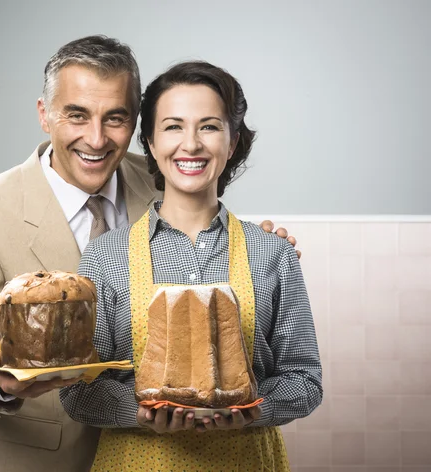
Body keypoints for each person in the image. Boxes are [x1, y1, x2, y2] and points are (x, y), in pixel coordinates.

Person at [0, 36, 300, 472]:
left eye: (115, 118)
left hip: (169, 454)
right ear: (44, 115)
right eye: (76, 115)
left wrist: (259, 249)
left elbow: (210, 252)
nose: (96, 138)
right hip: (47, 453)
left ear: (136, 126)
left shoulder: (162, 178)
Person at [60, 60, 322, 471]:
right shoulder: (104, 257)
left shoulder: (272, 253)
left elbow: (304, 379)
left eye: (210, 126)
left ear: (232, 142)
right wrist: (140, 411)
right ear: (148, 141)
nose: (192, 144)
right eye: (173, 126)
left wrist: (256, 408)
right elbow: (77, 393)